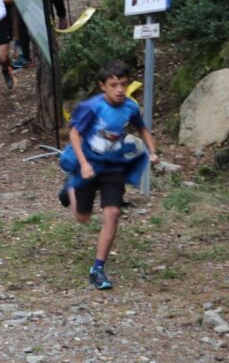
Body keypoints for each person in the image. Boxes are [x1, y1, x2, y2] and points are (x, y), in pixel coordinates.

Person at [57, 60, 158, 290]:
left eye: (123, 84)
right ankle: (70, 188)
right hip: (89, 165)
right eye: (114, 85)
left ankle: (98, 268)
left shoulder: (130, 107)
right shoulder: (92, 107)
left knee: (112, 213)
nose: (120, 89)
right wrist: (82, 163)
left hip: (113, 167)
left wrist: (152, 151)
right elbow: (74, 134)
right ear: (103, 86)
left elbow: (142, 128)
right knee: (83, 217)